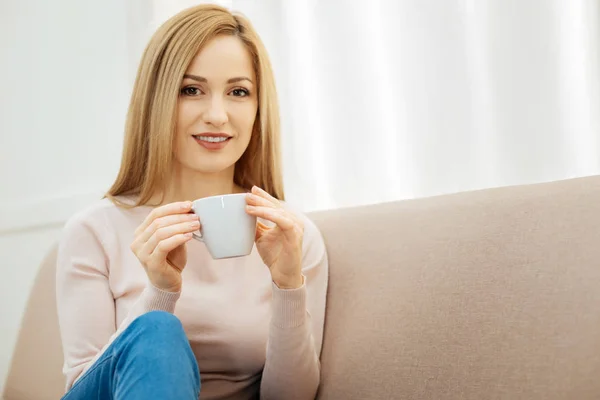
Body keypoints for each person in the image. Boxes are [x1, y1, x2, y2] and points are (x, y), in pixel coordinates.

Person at [55, 4, 328, 400]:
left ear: (257, 108)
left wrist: (288, 285)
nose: (217, 115)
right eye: (191, 90)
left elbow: (291, 398)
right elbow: (84, 386)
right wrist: (160, 292)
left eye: (238, 92)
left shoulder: (293, 236)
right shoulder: (93, 231)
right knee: (157, 330)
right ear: (158, 101)